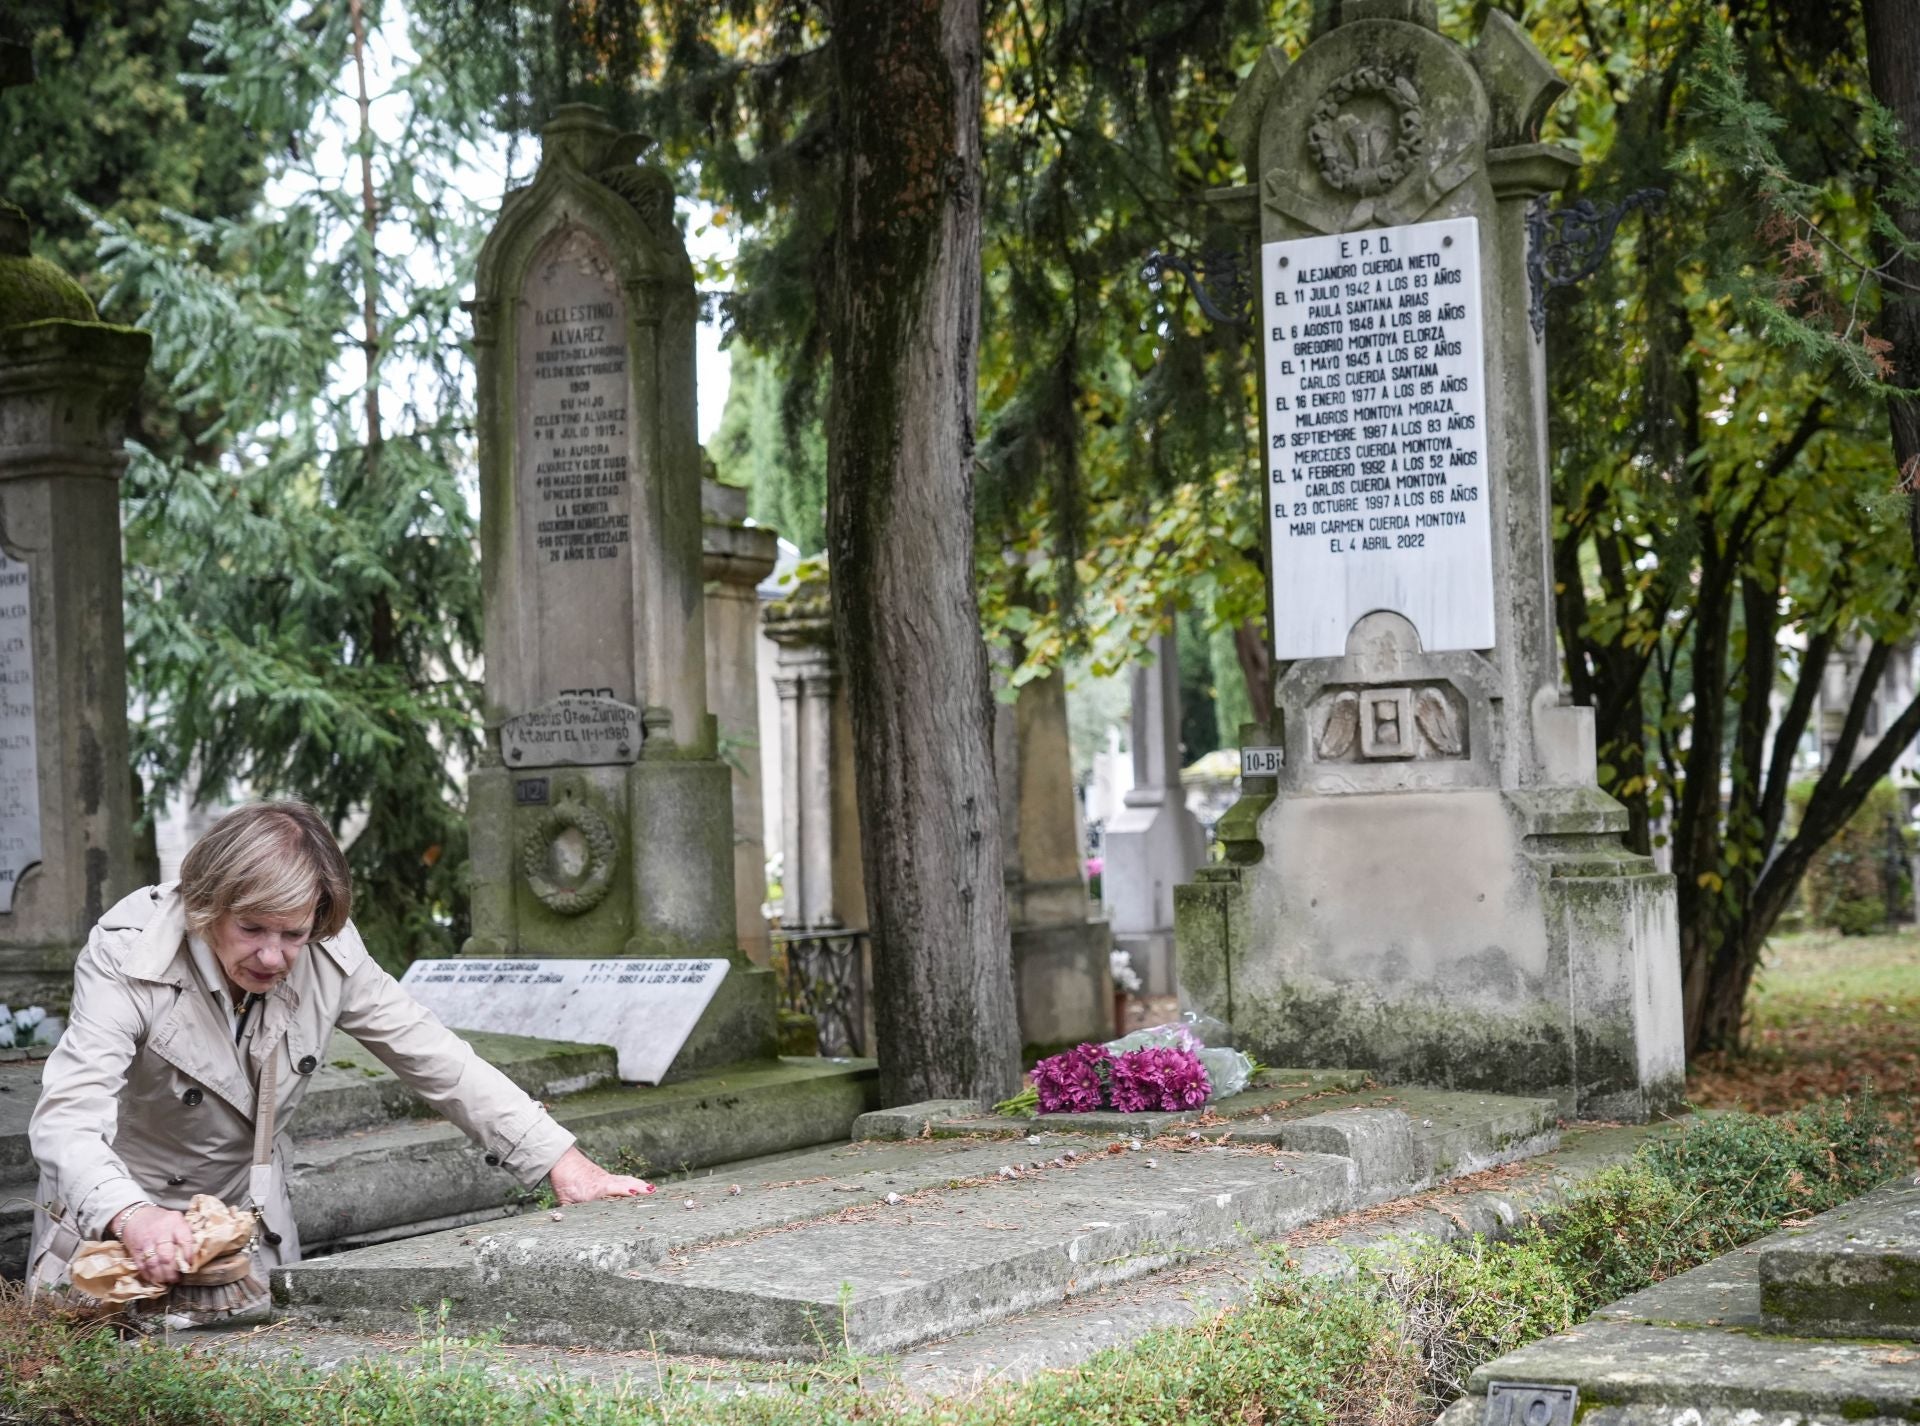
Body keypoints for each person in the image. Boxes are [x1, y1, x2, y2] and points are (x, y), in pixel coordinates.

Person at [27, 800, 650, 1304]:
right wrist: (132, 1215)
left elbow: (434, 1055)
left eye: (293, 933)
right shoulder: (129, 954)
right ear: (207, 905)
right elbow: (67, 1121)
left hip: (243, 1241)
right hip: (113, 1237)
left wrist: (566, 1166)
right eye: (251, 928)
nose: (273, 956)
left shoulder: (328, 951)